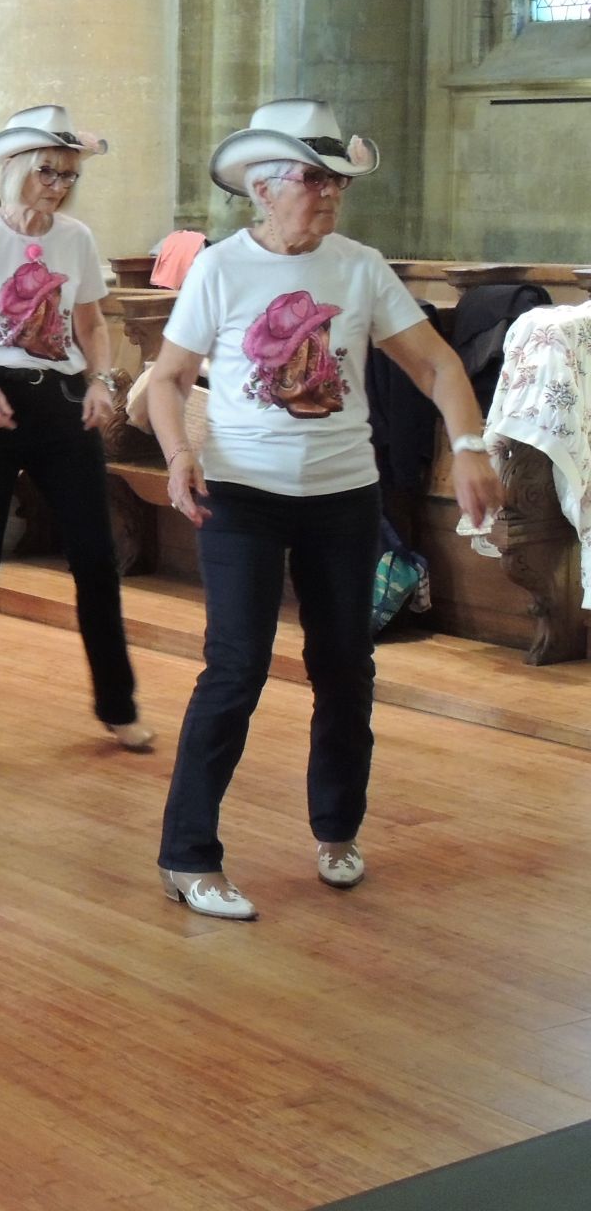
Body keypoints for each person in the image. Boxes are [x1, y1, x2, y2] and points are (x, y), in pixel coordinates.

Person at [149, 99, 503, 920]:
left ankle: (337, 831)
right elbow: (168, 379)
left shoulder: (359, 267)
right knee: (236, 668)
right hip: (241, 497)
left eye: (338, 181)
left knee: (345, 668)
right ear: (263, 188)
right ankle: (188, 855)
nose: (331, 193)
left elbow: (438, 367)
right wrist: (178, 454)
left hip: (343, 497)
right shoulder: (221, 269)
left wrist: (471, 446)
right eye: (315, 179)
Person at [0, 106, 149, 767]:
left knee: (96, 556)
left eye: (69, 175)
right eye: (48, 171)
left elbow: (92, 323)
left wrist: (101, 379)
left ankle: (118, 707)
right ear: (15, 170)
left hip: (63, 402)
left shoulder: (76, 239)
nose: (59, 185)